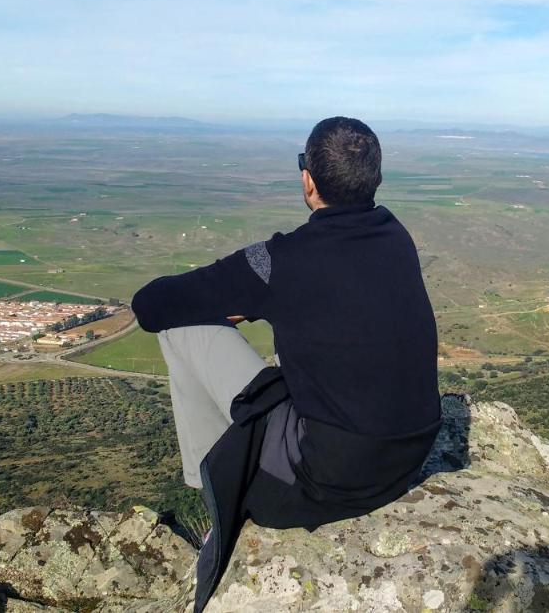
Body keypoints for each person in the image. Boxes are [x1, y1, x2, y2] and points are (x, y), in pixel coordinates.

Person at [131, 116, 442, 611]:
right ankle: (220, 479)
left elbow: (150, 306)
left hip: (321, 485)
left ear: (308, 179)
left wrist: (242, 303)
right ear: (374, 180)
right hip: (405, 461)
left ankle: (214, 490)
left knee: (180, 327)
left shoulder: (281, 261)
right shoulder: (396, 236)